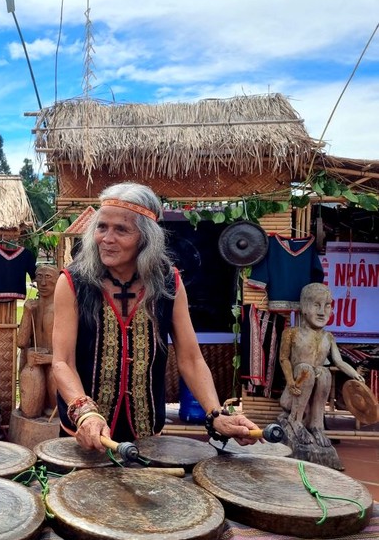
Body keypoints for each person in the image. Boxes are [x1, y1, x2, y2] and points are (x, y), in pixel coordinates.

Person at [51, 182, 260, 452]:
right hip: (85, 435)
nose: (107, 238)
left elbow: (191, 359)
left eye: (121, 230)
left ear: (146, 238)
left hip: (147, 434)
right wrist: (85, 412)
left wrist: (216, 414)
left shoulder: (169, 282)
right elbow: (62, 362)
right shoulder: (73, 282)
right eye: (102, 227)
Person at [278, 282, 364, 447]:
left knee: (324, 373)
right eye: (316, 305)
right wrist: (290, 381)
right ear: (304, 307)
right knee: (306, 369)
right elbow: (284, 359)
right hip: (293, 394)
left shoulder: (328, 337)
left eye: (327, 306)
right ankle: (295, 421)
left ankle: (316, 425)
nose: (322, 311)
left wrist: (354, 374)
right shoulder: (291, 333)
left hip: (314, 395)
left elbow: (338, 362)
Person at [17, 264, 58, 417]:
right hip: (34, 364)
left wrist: (50, 359)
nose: (43, 283)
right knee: (30, 411)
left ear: (58, 280)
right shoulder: (32, 307)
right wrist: (27, 314)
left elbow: (74, 349)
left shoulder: (62, 308)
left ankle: (55, 408)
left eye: (48, 277)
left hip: (55, 364)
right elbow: (21, 342)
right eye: (39, 277)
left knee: (54, 374)